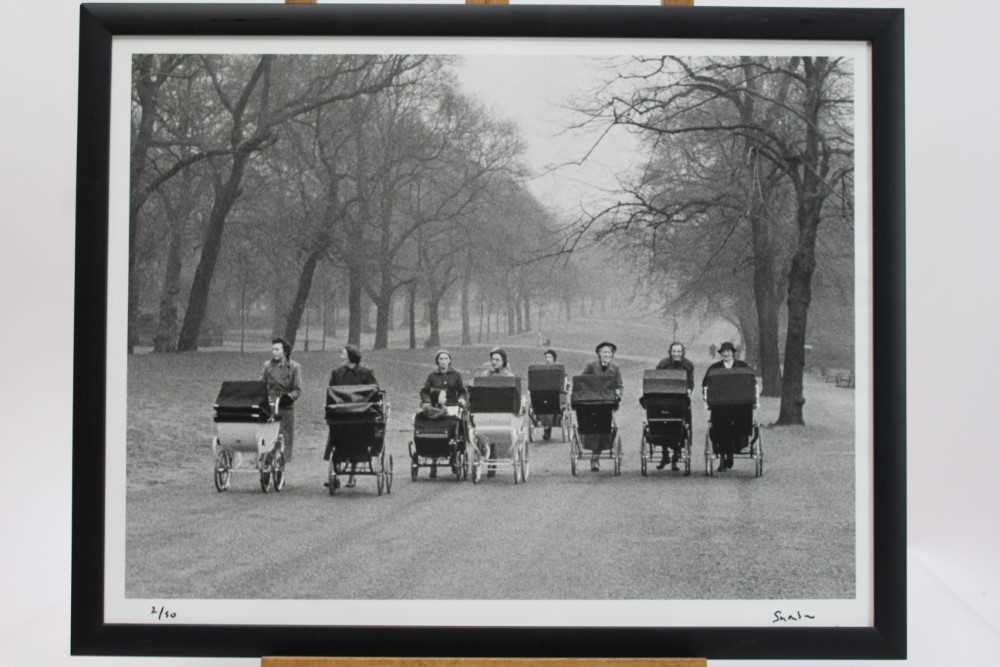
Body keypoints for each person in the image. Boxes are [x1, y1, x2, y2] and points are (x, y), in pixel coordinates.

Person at [325, 344, 378, 488]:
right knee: (336, 436)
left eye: (343, 352)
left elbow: (374, 391)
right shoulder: (336, 373)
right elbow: (331, 392)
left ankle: (352, 475)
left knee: (357, 438)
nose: (341, 354)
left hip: (361, 414)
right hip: (341, 414)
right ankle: (335, 473)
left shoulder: (366, 373)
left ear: (350, 355)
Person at [701, 341, 753, 472]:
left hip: (739, 405)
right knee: (720, 425)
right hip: (721, 405)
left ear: (733, 352)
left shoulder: (743, 366)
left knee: (744, 414)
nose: (726, 354)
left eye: (728, 351)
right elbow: (706, 384)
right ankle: (724, 456)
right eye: (723, 352)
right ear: (721, 353)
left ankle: (740, 445)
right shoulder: (714, 368)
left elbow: (750, 383)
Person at [419, 350, 469, 475]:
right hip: (436, 407)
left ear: (449, 361)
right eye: (441, 359)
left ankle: (455, 455)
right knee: (434, 429)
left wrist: (462, 399)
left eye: (446, 358)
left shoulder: (456, 375)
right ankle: (433, 459)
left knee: (458, 427)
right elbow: (424, 391)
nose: (443, 361)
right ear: (437, 361)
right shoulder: (432, 376)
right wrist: (426, 401)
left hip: (453, 406)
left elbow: (462, 391)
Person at [581, 341, 623, 472]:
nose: (607, 354)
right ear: (599, 354)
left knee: (606, 428)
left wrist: (618, 393)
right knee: (594, 429)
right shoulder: (591, 366)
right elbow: (582, 381)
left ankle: (596, 456)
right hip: (592, 402)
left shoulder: (615, 369)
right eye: (604, 352)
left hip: (608, 403)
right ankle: (595, 458)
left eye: (609, 352)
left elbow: (619, 385)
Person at [654, 341, 695, 470]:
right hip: (665, 399)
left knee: (681, 425)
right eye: (674, 351)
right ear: (670, 352)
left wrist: (689, 390)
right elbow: (656, 380)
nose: (676, 354)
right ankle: (665, 455)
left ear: (682, 352)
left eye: (679, 351)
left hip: (681, 399)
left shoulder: (688, 365)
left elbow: (691, 382)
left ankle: (676, 457)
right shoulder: (663, 364)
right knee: (662, 424)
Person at [261, 337, 302, 462]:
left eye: (277, 349)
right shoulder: (267, 366)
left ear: (284, 351)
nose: (274, 352)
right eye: (273, 349)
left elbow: (297, 389)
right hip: (269, 405)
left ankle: (281, 464)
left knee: (283, 437)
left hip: (285, 406)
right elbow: (261, 385)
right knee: (268, 436)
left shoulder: (294, 367)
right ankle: (266, 460)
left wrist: (289, 397)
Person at [539, 348, 570, 441]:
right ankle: (546, 428)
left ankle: (547, 428)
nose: (547, 359)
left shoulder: (559, 369)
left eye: (549, 357)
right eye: (546, 357)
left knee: (553, 404)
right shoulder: (541, 370)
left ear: (554, 359)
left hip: (557, 394)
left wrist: (565, 387)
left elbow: (565, 381)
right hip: (545, 394)